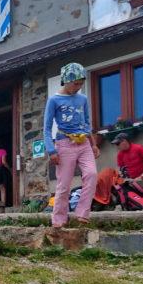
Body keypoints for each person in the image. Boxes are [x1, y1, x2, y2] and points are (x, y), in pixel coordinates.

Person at [44, 62, 99, 228]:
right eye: (75, 83)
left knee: (91, 174)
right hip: (64, 144)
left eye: (81, 84)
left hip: (84, 144)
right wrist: (51, 150)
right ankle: (59, 220)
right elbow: (46, 128)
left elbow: (87, 123)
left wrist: (94, 144)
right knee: (64, 185)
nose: (78, 87)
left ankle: (82, 213)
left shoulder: (82, 99)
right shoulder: (54, 100)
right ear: (66, 80)